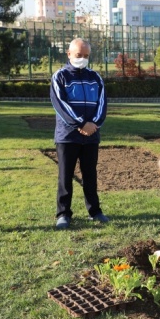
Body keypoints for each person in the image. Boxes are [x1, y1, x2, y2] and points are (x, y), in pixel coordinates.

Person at [50, 38, 109, 229]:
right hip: (67, 136)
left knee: (90, 175)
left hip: (91, 136)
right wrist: (80, 124)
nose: (82, 59)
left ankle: (95, 211)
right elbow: (60, 104)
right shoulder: (60, 77)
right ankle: (63, 214)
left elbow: (102, 103)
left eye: (86, 56)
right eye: (78, 55)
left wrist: (94, 124)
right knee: (65, 176)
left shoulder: (96, 78)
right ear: (69, 54)